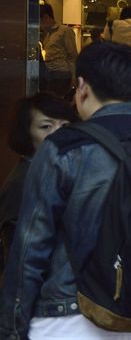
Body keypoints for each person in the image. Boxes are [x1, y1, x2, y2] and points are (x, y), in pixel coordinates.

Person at [0, 42, 131, 339]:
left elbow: (30, 249)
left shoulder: (63, 148)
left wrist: (11, 328)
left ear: (81, 88)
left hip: (67, 317)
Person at [0, 93, 76, 261]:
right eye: (45, 127)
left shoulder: (58, 173)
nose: (57, 133)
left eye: (64, 126)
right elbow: (19, 257)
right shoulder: (21, 183)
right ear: (26, 133)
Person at [39, 3, 78, 98]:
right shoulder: (48, 34)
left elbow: (72, 55)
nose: (39, 25)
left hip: (61, 72)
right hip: (49, 72)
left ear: (46, 17)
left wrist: (74, 78)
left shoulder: (64, 31)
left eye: (39, 21)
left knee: (57, 99)